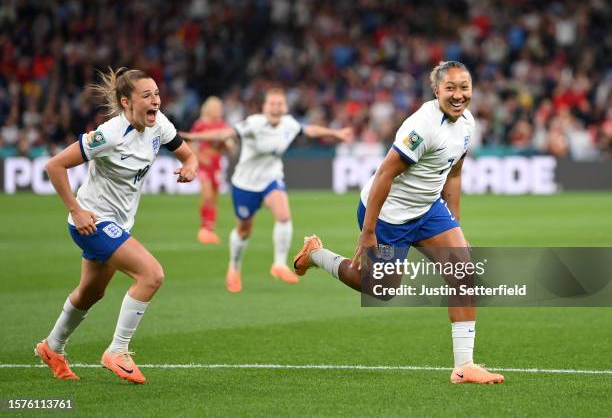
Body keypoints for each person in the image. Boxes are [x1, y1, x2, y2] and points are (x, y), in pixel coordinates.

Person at [294, 61, 505, 384]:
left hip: (428, 210)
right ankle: (316, 255)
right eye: (450, 88)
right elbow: (384, 175)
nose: (458, 94)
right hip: (389, 215)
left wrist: (455, 227)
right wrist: (368, 233)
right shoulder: (422, 127)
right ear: (437, 91)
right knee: (379, 288)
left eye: (464, 87)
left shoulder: (467, 124)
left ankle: (465, 367)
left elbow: (455, 172)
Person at [36, 67, 198, 384]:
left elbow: (187, 155)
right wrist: (76, 210)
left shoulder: (159, 124)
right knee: (151, 275)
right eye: (147, 95)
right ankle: (118, 350)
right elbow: (54, 165)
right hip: (92, 222)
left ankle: (52, 347)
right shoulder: (109, 134)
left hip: (119, 223)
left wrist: (190, 167)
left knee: (91, 292)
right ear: (126, 102)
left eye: (157, 94)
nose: (156, 101)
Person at [181, 88, 352, 293]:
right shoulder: (254, 123)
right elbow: (225, 133)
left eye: (279, 104)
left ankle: (278, 264)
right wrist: (195, 136)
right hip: (245, 183)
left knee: (283, 216)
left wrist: (336, 133)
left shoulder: (289, 124)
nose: (276, 107)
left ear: (285, 107)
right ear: (265, 107)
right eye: (272, 104)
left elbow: (312, 130)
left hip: (271, 178)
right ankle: (234, 268)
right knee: (244, 230)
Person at [189, 96, 234, 244]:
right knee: (207, 195)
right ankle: (204, 228)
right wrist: (200, 158)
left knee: (214, 198)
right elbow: (190, 145)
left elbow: (231, 149)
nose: (218, 111)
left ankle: (210, 229)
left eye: (219, 108)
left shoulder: (223, 125)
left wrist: (226, 145)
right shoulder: (200, 125)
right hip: (204, 165)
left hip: (216, 164)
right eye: (215, 108)